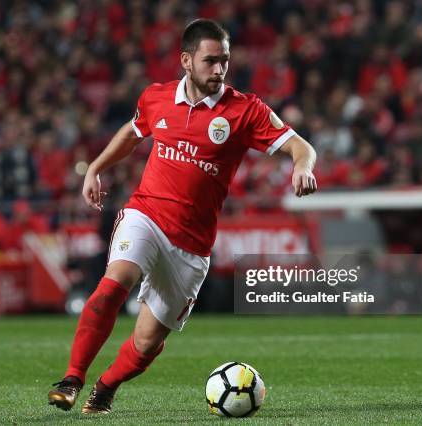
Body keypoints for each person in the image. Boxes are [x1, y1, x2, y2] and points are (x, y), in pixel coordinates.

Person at [48, 18, 317, 414]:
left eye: (224, 60)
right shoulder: (156, 98)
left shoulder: (245, 110)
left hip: (191, 246)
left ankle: (105, 387)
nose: (219, 69)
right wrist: (96, 167)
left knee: (146, 344)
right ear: (186, 61)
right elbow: (132, 131)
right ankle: (72, 378)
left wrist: (302, 166)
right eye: (210, 61)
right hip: (146, 214)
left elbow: (300, 145)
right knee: (111, 286)